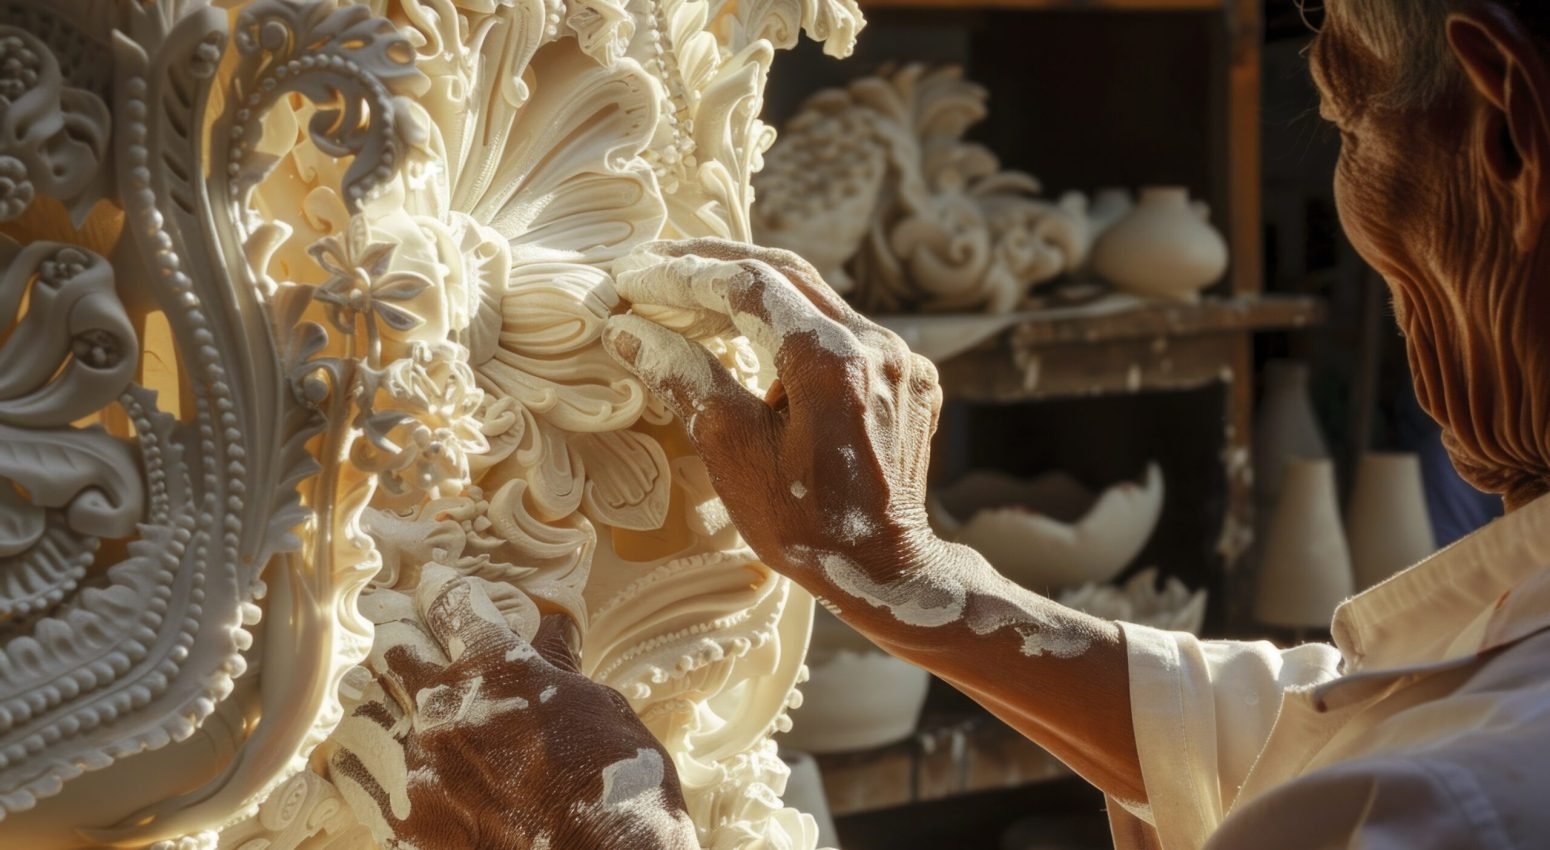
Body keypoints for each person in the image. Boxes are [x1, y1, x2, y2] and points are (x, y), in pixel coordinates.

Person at [328, 0, 1550, 847]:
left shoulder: (1455, 803)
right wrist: (918, 581)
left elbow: (1401, 786)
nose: (1346, 202)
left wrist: (600, 838)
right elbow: (1324, 732)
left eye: (1346, 122)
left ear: (1499, 124)